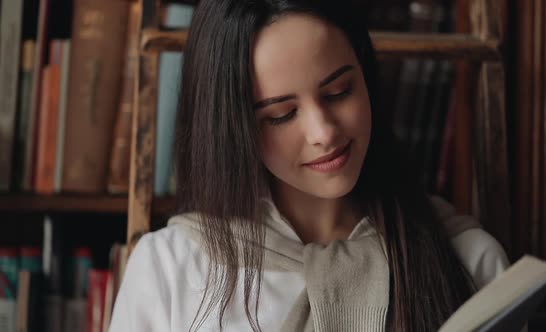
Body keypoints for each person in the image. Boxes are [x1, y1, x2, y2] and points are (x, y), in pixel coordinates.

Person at [108, 0, 511, 331]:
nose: (323, 131)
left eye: (339, 91)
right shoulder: (170, 270)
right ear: (235, 129)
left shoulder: (471, 261)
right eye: (281, 115)